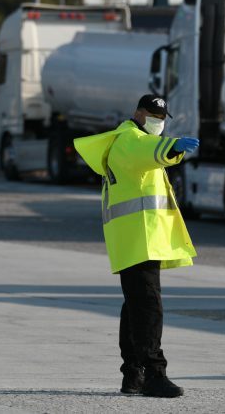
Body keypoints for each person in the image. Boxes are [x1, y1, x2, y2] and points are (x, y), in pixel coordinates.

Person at [74, 94, 199, 398]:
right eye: (154, 116)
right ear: (139, 113)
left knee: (135, 307)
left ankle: (133, 375)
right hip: (139, 238)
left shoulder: (129, 140)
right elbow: (148, 150)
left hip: (136, 239)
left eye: (161, 118)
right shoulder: (129, 140)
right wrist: (172, 146)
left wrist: (169, 147)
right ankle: (155, 375)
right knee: (148, 308)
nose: (158, 123)